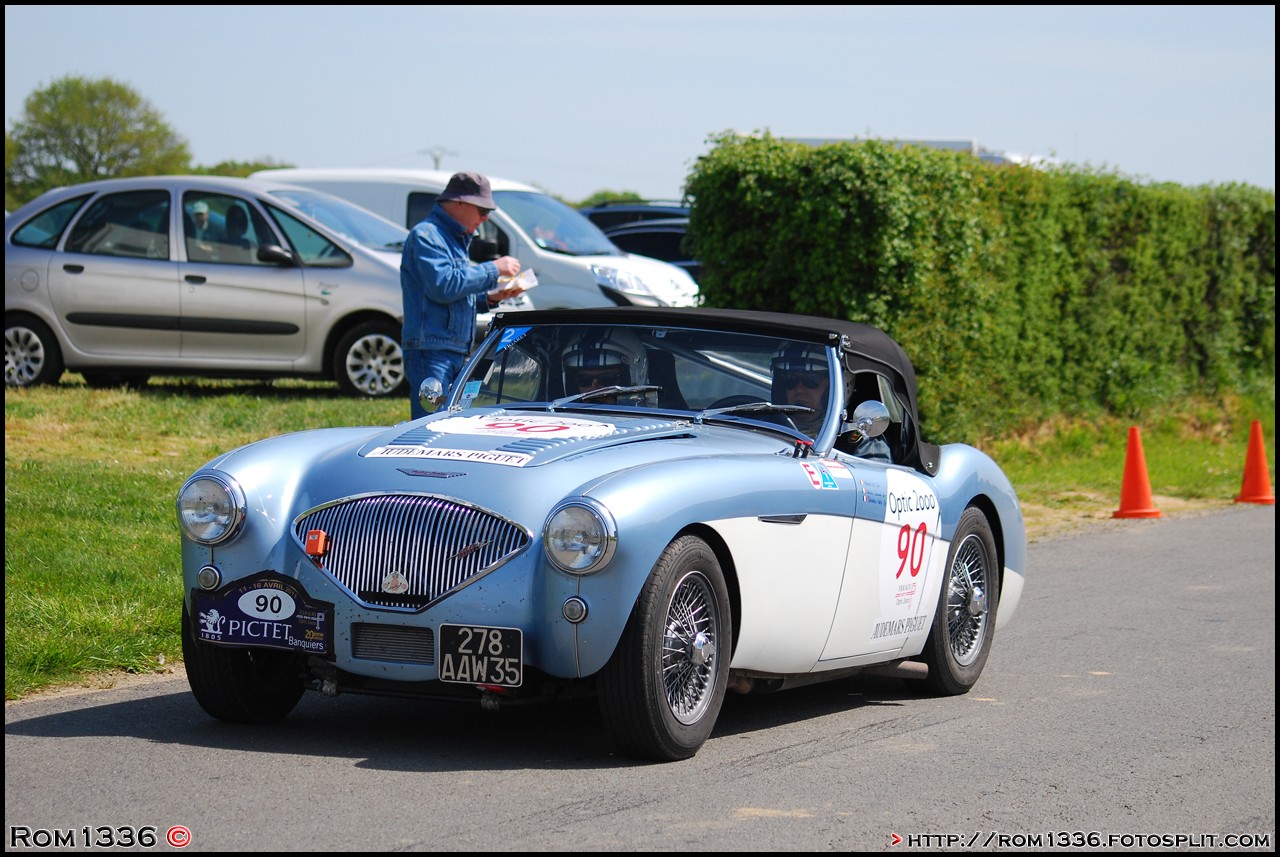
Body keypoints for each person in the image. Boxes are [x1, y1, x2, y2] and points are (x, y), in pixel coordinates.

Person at [400, 172, 523, 419]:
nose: (486, 217)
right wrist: (494, 269)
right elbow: (442, 285)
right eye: (482, 210)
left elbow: (450, 293)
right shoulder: (426, 236)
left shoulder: (451, 239)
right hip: (431, 350)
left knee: (451, 424)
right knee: (431, 426)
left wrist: (489, 298)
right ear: (460, 202)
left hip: (449, 349)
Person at [561, 328, 648, 404]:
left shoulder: (656, 419)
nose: (594, 389)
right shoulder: (554, 415)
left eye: (606, 379)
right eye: (583, 379)